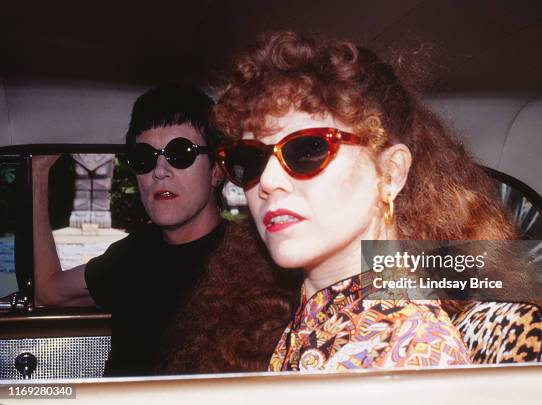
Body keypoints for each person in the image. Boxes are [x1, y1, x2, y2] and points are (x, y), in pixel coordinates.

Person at [208, 31, 512, 371]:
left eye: (307, 149)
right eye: (250, 159)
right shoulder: (306, 322)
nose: (267, 181)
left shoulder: (408, 350)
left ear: (391, 173)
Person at [32, 83, 225, 376]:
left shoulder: (250, 259)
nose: (159, 171)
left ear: (216, 170)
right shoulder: (134, 254)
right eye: (144, 158)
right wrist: (38, 174)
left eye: (180, 153)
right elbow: (48, 292)